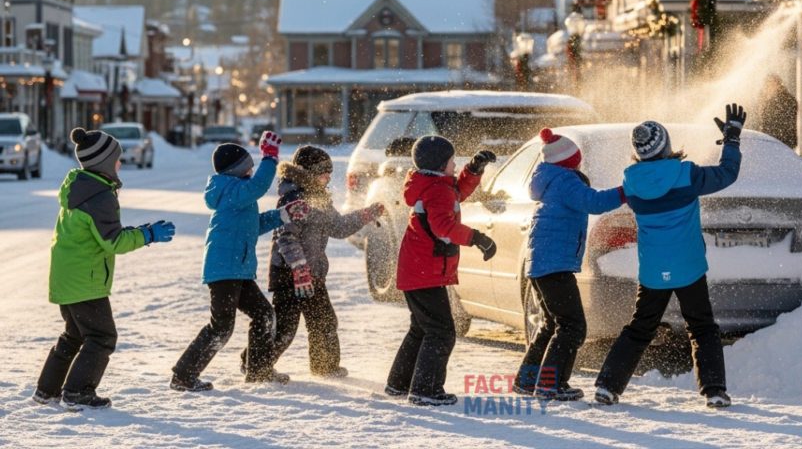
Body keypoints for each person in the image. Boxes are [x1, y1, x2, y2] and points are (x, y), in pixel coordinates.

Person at [594, 107, 745, 408]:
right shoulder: (686, 175)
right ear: (666, 145)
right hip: (688, 267)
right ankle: (714, 391)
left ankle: (608, 386)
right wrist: (731, 140)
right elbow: (727, 174)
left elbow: (599, 201)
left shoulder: (632, 186)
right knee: (702, 328)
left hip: (653, 271)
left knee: (640, 328)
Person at [33, 127, 176, 411]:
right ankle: (77, 392)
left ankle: (46, 390)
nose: (120, 163)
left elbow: (102, 235)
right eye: (117, 159)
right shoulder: (100, 197)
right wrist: (149, 235)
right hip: (86, 281)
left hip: (67, 278)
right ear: (104, 163)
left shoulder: (79, 188)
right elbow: (114, 241)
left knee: (74, 335)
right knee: (101, 337)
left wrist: (142, 230)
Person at [170, 132, 310, 392]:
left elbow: (253, 226)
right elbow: (258, 186)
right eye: (250, 166)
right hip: (224, 270)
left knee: (264, 315)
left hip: (239, 269)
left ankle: (258, 370)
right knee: (221, 328)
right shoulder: (231, 190)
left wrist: (283, 214)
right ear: (238, 170)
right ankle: (183, 374)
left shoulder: (238, 195)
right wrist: (270, 158)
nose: (254, 169)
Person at [240, 145, 385, 378]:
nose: (328, 176)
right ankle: (254, 362)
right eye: (323, 172)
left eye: (329, 172)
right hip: (289, 274)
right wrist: (299, 267)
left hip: (314, 274)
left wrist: (365, 215)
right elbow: (285, 238)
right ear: (309, 172)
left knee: (324, 322)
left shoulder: (320, 199)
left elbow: (338, 227)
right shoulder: (293, 199)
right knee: (285, 329)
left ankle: (324, 366)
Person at [512, 128, 625, 401]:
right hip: (554, 266)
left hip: (540, 264)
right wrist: (626, 191)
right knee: (572, 326)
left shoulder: (550, 180)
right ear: (570, 160)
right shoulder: (566, 181)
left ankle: (527, 381)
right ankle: (551, 385)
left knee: (551, 324)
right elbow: (595, 202)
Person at [384, 136, 498, 406]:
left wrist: (474, 169)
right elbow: (443, 227)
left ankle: (398, 383)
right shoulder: (438, 190)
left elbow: (457, 191)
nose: (454, 163)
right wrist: (478, 238)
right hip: (425, 272)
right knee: (441, 331)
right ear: (439, 164)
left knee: (421, 329)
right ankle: (426, 390)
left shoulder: (432, 184)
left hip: (417, 270)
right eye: (452, 160)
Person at [750, 74, 798, 149]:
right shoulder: (772, 100)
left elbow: (775, 124)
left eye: (769, 85)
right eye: (766, 86)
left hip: (779, 142)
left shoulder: (783, 100)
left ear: (777, 85)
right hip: (778, 142)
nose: (767, 88)